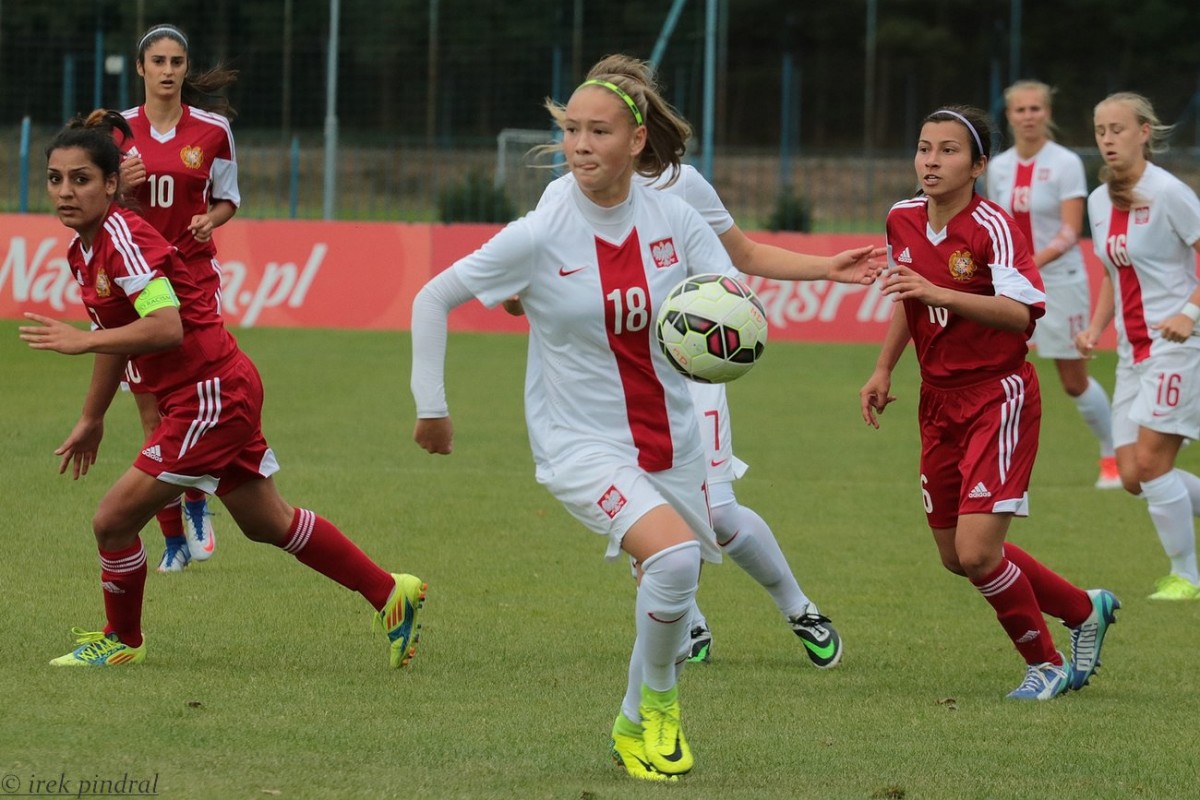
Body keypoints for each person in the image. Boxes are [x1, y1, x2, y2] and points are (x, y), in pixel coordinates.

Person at [410, 57, 878, 782]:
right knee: (673, 557)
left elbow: (730, 278)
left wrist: (792, 286)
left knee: (677, 573)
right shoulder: (541, 229)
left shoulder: (674, 211)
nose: (581, 144)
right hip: (578, 441)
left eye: (598, 131)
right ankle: (659, 709)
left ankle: (635, 721)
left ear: (636, 139)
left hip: (671, 435)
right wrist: (432, 407)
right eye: (571, 130)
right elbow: (433, 296)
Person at [19, 110, 426, 669]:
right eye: (55, 178)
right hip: (215, 389)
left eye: (81, 178)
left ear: (112, 184)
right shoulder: (83, 249)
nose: (65, 191)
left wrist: (81, 343)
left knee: (112, 521)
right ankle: (390, 593)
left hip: (207, 393)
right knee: (267, 523)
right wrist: (93, 418)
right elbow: (114, 337)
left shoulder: (122, 236)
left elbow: (165, 327)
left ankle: (122, 640)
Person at [516, 59, 885, 671]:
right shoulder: (565, 192)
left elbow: (743, 254)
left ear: (639, 124)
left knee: (717, 515)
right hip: (609, 386)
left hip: (687, 376)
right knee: (644, 510)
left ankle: (799, 610)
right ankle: (687, 620)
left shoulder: (682, 186)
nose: (590, 136)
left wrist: (826, 267)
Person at [858, 105, 1119, 700]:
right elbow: (908, 297)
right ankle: (1084, 609)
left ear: (978, 165)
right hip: (937, 400)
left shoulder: (993, 225)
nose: (931, 160)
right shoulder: (901, 219)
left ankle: (1046, 665)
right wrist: (881, 368)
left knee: (979, 553)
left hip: (997, 396)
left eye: (949, 150)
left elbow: (1022, 312)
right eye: (924, 147)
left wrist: (939, 289)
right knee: (957, 555)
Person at [117, 23, 242, 572]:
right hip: (138, 286)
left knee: (200, 393)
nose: (168, 70)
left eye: (177, 61)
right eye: (158, 61)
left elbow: (230, 199)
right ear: (140, 68)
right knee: (153, 414)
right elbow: (100, 200)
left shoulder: (213, 130)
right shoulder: (117, 131)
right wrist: (121, 185)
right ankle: (171, 539)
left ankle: (196, 499)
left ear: (186, 69)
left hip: (193, 283)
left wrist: (207, 220)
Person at [1078, 92, 1200, 601]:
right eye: (1101, 130)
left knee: (1152, 466)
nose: (1108, 139)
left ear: (1145, 132)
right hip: (1132, 355)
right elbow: (1112, 273)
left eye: (1118, 129)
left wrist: (1188, 313)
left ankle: (1187, 576)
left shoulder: (1169, 193)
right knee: (1133, 476)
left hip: (1180, 347)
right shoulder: (1098, 200)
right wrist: (1094, 326)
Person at [986, 80, 1119, 489]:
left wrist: (1029, 264)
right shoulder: (998, 167)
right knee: (995, 373)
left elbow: (1068, 231)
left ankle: (1113, 453)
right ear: (1009, 116)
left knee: (1072, 379)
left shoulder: (1063, 163)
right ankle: (996, 464)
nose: (1028, 117)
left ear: (1047, 114)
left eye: (1035, 109)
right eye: (1020, 110)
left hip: (1060, 282)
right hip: (1011, 285)